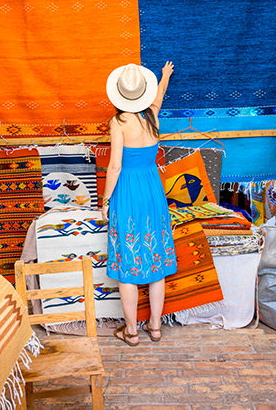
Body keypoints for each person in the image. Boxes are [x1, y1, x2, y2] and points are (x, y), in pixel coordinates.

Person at [101, 61, 176, 346]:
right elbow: (158, 98)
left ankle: (131, 331)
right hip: (153, 190)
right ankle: (155, 326)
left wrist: (105, 200)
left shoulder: (118, 122)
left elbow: (115, 167)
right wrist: (164, 77)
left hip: (128, 191)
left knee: (128, 259)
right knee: (156, 255)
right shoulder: (152, 117)